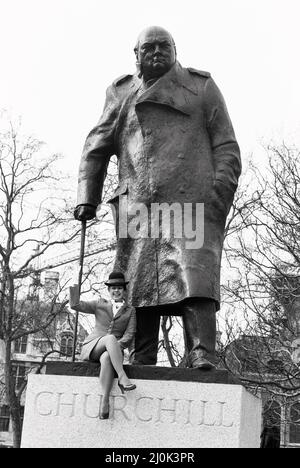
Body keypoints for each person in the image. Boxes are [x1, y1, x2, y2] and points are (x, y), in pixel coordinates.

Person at [74, 26, 241, 369]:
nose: (156, 52)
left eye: (164, 46)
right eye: (148, 47)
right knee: (142, 282)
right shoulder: (121, 94)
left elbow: (226, 146)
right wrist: (86, 196)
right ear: (135, 55)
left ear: (176, 50)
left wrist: (218, 193)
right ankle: (143, 354)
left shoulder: (200, 87)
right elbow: (96, 147)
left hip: (191, 201)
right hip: (139, 204)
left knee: (194, 276)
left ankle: (200, 352)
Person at [69, 271, 136, 419]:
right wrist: (75, 286)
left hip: (112, 351)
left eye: (119, 288)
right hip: (93, 346)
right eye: (113, 288)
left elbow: (130, 334)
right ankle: (122, 376)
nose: (116, 291)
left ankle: (104, 402)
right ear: (109, 290)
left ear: (124, 291)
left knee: (107, 357)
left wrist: (117, 348)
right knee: (110, 338)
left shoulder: (130, 311)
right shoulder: (100, 304)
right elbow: (75, 305)